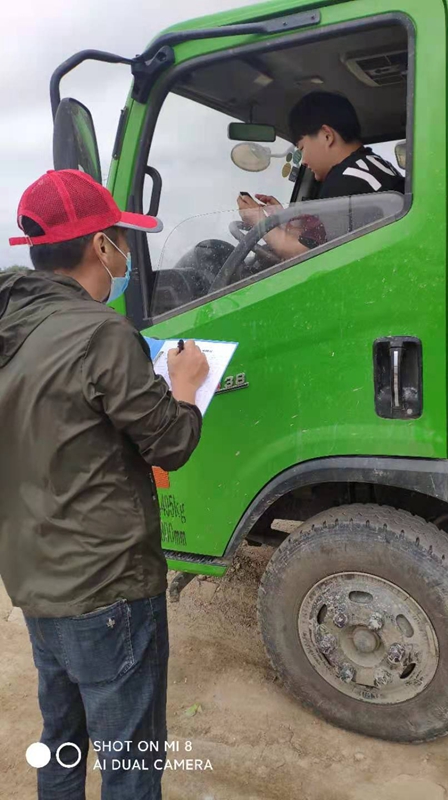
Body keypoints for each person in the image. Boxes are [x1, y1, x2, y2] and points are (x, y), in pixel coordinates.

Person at [0, 169, 209, 800]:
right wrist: (184, 387)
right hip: (107, 586)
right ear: (100, 245)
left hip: (37, 579)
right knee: (131, 761)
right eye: (120, 238)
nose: (124, 251)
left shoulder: (14, 327)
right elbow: (170, 443)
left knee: (61, 740)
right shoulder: (100, 332)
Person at [237, 91, 405, 260]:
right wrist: (281, 220)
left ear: (327, 135)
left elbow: (309, 256)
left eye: (302, 148)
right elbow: (323, 237)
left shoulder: (345, 180)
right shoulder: (373, 166)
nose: (303, 161)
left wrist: (259, 223)